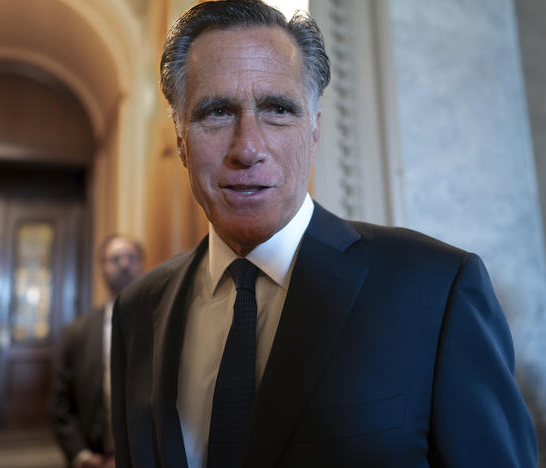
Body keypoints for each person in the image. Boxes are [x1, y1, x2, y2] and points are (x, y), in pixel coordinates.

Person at [110, 1, 538, 467]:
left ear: (313, 130)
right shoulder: (138, 312)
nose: (248, 148)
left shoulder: (438, 291)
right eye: (216, 112)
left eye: (277, 109)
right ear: (180, 140)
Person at [51, 235, 144, 468]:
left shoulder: (161, 322)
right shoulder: (77, 333)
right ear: (101, 267)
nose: (123, 264)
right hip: (94, 458)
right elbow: (61, 404)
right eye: (115, 259)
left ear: (141, 264)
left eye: (130, 257)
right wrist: (82, 456)